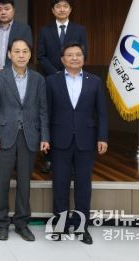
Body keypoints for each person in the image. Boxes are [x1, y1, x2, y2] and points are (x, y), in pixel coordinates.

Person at [0, 38, 49, 242]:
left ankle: (22, 223)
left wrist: (45, 137)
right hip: (4, 135)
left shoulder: (38, 79)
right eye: (17, 51)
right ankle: (2, 223)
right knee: (2, 181)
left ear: (30, 55)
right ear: (9, 54)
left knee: (24, 182)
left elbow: (43, 110)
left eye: (25, 51)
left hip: (29, 136)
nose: (21, 55)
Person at [47, 43, 108, 245]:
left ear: (84, 58)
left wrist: (102, 137)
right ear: (62, 59)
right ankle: (61, 226)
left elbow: (102, 112)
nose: (74, 58)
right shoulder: (52, 81)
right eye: (70, 55)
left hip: (86, 140)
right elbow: (46, 112)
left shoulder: (95, 81)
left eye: (78, 54)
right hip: (59, 139)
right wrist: (45, 138)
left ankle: (82, 228)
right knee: (60, 184)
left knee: (83, 185)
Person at [37, 0, 88, 174]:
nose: (62, 9)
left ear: (70, 9)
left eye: (65, 6)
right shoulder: (44, 30)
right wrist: (57, 74)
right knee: (50, 117)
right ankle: (48, 158)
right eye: (58, 6)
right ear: (53, 10)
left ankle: (71, 157)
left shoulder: (80, 30)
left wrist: (68, 71)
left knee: (70, 118)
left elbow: (83, 54)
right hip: (50, 81)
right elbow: (41, 56)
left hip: (74, 80)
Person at [0, 0, 33, 168]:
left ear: (13, 10)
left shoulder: (24, 29)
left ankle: (16, 153)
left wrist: (8, 70)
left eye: (7, 8)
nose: (3, 12)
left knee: (13, 114)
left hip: (16, 78)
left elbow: (25, 52)